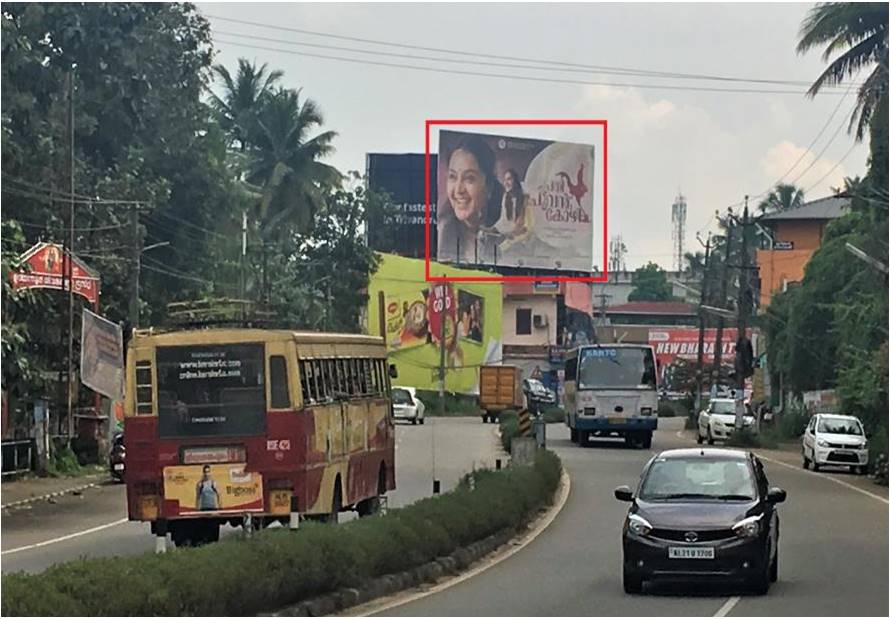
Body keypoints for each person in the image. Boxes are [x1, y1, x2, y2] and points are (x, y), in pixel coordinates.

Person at [437, 135, 503, 264]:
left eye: (469, 179)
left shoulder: (506, 239)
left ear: (489, 186)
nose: (458, 190)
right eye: (452, 177)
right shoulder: (441, 234)